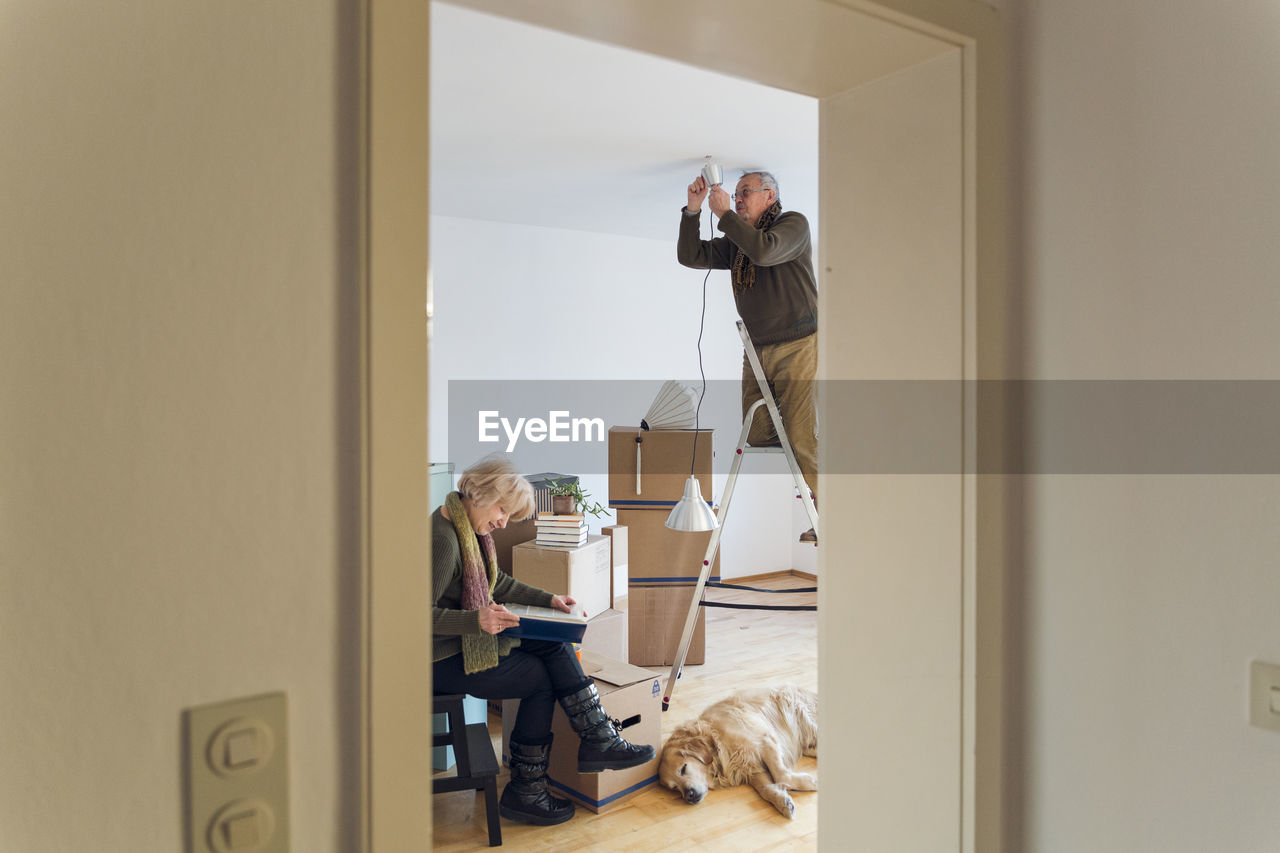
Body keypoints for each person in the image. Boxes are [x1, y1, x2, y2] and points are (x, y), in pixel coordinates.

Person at [431, 458, 654, 826]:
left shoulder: (465, 527)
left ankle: (589, 745)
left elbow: (496, 583)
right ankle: (531, 786)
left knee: (552, 642)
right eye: (502, 510)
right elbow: (406, 619)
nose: (503, 522)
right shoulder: (444, 540)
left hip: (461, 645)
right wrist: (476, 619)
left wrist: (549, 600)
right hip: (439, 661)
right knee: (541, 676)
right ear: (479, 493)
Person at [678, 170, 819, 542]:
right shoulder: (740, 243)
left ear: (769, 195)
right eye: (735, 194)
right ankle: (808, 484)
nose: (737, 199)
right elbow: (691, 255)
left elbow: (765, 250)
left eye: (744, 193)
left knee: (803, 437)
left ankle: (828, 510)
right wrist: (692, 212)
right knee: (757, 433)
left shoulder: (793, 225)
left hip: (797, 343)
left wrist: (724, 215)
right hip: (757, 349)